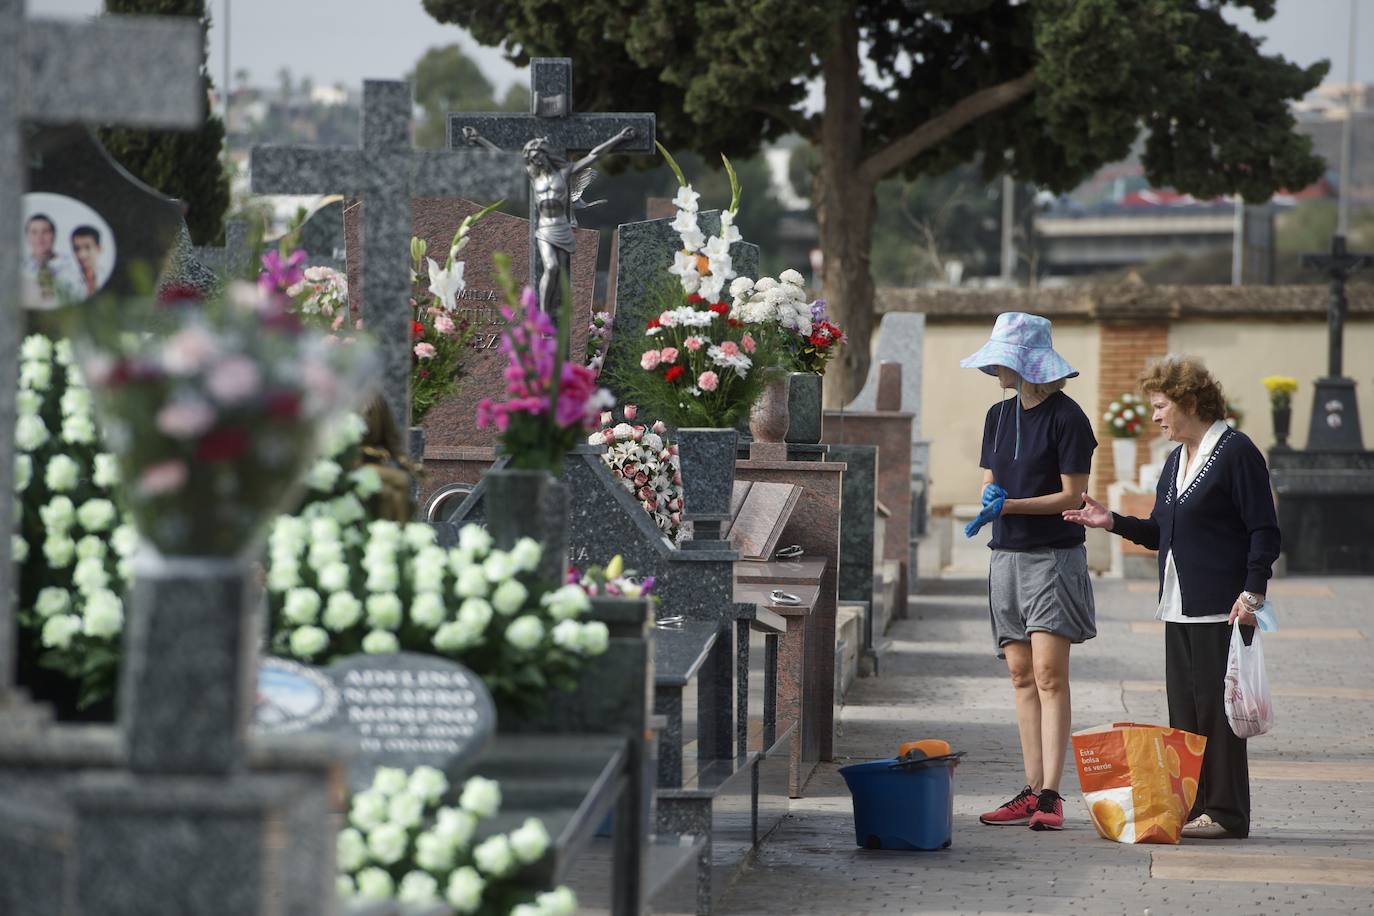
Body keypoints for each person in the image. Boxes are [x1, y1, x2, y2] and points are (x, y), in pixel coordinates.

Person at [1064, 356, 1279, 840]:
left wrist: (1253, 593)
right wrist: (1112, 521)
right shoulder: (1175, 460)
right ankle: (1193, 804)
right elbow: (1163, 531)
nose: (1156, 416)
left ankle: (1226, 813)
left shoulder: (1235, 451)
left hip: (1222, 607)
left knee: (1219, 715)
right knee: (1185, 713)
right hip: (1179, 605)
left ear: (1187, 401)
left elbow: (1264, 530)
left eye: (1161, 406)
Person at [961, 312, 1098, 831]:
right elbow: (989, 483)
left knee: (1048, 674)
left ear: (1027, 363)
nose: (996, 365)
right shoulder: (998, 416)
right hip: (1006, 557)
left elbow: (1071, 496)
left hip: (1053, 557)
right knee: (1020, 675)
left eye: (1004, 356)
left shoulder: (1069, 418)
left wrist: (1010, 506)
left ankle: (1051, 795)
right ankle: (1029, 786)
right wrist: (992, 502)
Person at [22, 213, 78, 307]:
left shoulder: (72, 265)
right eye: (34, 232)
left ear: (54, 235)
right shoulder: (20, 267)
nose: (39, 238)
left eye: (45, 232)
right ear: (27, 237)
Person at [70, 224, 104, 298]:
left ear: (99, 249)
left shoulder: (105, 275)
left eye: (87, 248)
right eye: (77, 249)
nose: (82, 255)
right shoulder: (68, 282)